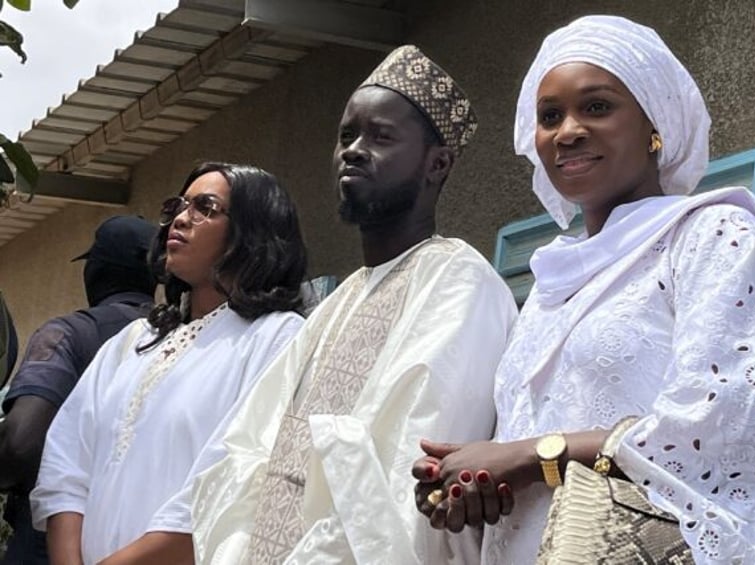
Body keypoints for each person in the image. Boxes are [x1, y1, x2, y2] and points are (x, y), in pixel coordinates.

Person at [412, 15, 755, 564]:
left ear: (655, 125)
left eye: (597, 107)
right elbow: (523, 456)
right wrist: (469, 485)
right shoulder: (549, 288)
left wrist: (529, 455)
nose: (568, 131)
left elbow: (725, 428)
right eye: (549, 116)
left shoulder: (715, 237)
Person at [191, 45, 518, 564]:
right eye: (347, 135)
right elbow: (250, 447)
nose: (355, 150)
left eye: (381, 136)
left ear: (438, 163)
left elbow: (404, 468)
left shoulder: (459, 282)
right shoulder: (335, 303)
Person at [30, 162, 308, 565]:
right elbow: (65, 466)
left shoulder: (276, 337)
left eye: (204, 207)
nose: (180, 218)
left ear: (253, 230)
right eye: (178, 206)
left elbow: (233, 483)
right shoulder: (132, 342)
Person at [0, 214, 158, 565]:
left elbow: (19, 444)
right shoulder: (187, 338)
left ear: (97, 270)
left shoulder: (68, 334)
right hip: (146, 543)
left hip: (49, 544)